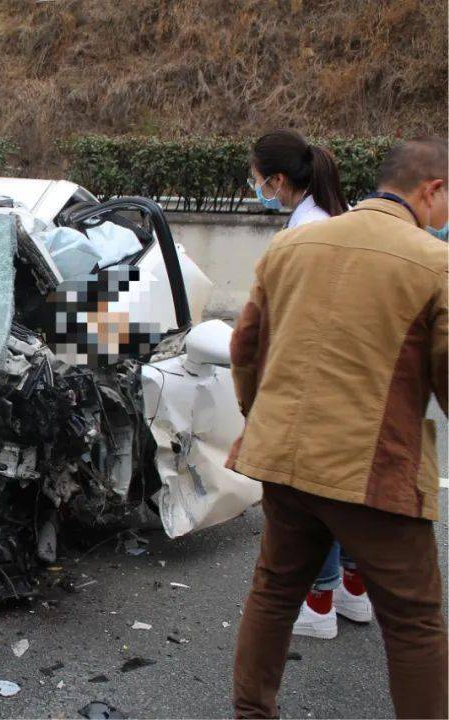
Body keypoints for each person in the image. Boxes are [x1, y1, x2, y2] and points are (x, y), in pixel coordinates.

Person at [229, 137, 448, 719]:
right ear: (432, 190)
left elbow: (245, 347)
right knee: (415, 623)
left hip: (285, 460)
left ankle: (251, 714)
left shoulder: (292, 246)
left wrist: (260, 419)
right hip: (375, 469)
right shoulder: (435, 263)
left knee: (274, 593)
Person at [249, 129, 372, 640]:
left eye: (256, 180)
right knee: (345, 498)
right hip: (356, 386)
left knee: (310, 503)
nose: (255, 188)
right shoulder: (342, 221)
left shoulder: (302, 239)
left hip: (316, 390)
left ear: (278, 181)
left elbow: (279, 329)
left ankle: (317, 605)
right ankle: (353, 593)